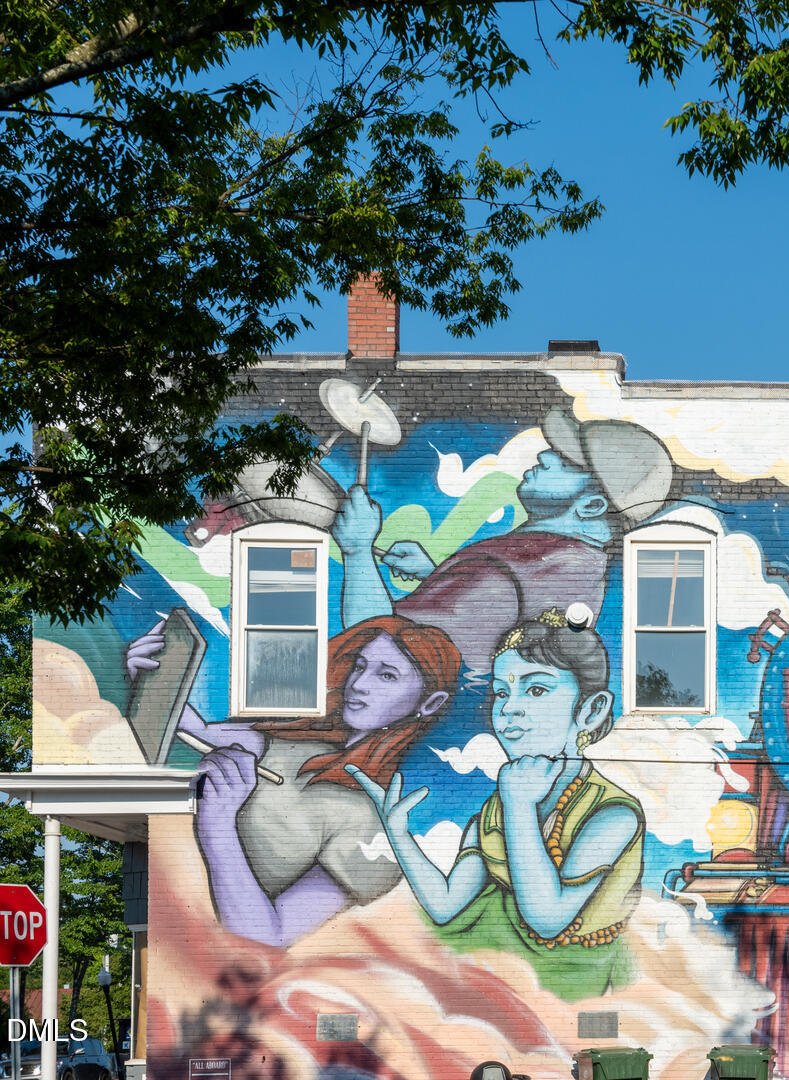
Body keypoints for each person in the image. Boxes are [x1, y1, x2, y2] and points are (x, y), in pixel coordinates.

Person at [350, 613, 644, 1001]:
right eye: (502, 693)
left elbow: (547, 919)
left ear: (590, 711)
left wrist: (520, 806)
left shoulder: (613, 814)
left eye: (536, 690)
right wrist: (399, 833)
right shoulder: (497, 808)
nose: (509, 710)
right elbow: (445, 906)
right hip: (488, 974)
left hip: (561, 993)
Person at [126, 615, 461, 947]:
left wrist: (217, 825)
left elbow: (266, 938)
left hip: (203, 963)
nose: (358, 684)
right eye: (360, 666)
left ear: (430, 703)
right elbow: (191, 729)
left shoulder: (373, 830)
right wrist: (150, 681)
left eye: (387, 675)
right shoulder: (294, 745)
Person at [333, 408, 673, 669]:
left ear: (592, 506)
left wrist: (357, 549)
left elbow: (379, 648)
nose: (545, 456)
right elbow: (497, 614)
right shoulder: (574, 566)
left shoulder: (502, 572)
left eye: (567, 461)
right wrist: (439, 575)